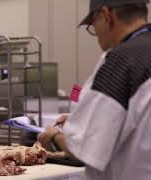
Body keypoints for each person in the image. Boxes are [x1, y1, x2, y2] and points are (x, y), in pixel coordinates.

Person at [38, 0, 151, 179]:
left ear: (106, 15)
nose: (96, 33)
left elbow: (84, 148)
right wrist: (87, 117)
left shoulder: (120, 61)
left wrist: (54, 136)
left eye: (93, 24)